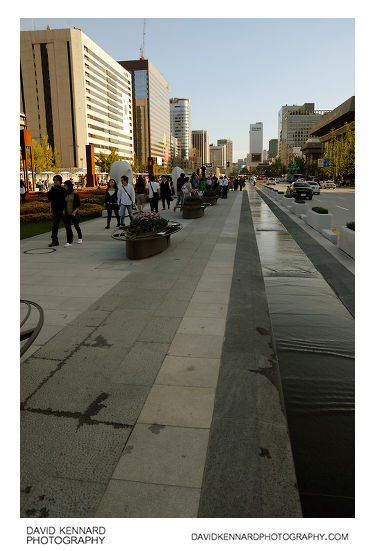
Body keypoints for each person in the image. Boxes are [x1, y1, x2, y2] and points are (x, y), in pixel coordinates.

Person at [47, 175, 66, 247]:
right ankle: (54, 240)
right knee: (55, 225)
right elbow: (50, 200)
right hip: (55, 209)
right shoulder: (52, 190)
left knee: (66, 224)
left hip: (62, 209)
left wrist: (64, 209)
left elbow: (65, 201)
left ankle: (69, 239)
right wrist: (50, 208)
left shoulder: (63, 190)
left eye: (56, 180)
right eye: (54, 180)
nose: (55, 182)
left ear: (60, 181)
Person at [63, 180, 82, 247]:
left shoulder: (75, 193)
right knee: (68, 227)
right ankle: (69, 241)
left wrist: (75, 211)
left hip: (73, 212)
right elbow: (63, 203)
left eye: (65, 185)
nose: (64, 186)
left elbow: (79, 204)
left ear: (68, 186)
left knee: (76, 225)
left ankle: (80, 237)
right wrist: (63, 210)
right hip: (67, 212)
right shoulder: (65, 193)